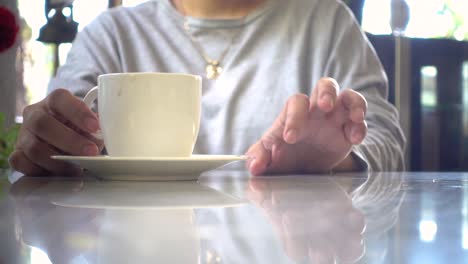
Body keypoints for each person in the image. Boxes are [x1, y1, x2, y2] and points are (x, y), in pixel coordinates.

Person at [9, 0, 405, 176]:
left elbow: (387, 143)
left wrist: (338, 156)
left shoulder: (328, 22)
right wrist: (49, 141)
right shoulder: (110, 34)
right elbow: (57, 131)